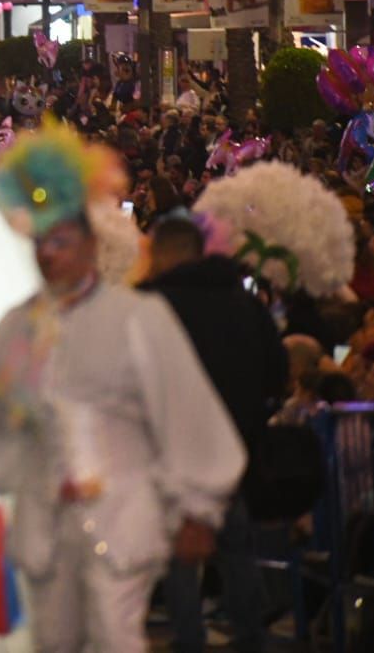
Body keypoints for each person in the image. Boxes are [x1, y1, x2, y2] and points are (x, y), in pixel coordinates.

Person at [0, 125, 247, 653]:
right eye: (41, 242)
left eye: (61, 241)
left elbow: (185, 412)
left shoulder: (138, 318)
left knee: (113, 636)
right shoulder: (17, 329)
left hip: (122, 522)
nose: (49, 255)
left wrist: (197, 507)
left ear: (88, 243)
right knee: (54, 641)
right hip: (43, 528)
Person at [141, 215, 288, 653]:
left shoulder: (151, 304)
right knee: (236, 548)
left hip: (171, 449)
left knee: (179, 553)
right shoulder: (245, 304)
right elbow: (277, 373)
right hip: (235, 447)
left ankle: (189, 639)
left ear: (165, 252)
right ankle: (251, 637)